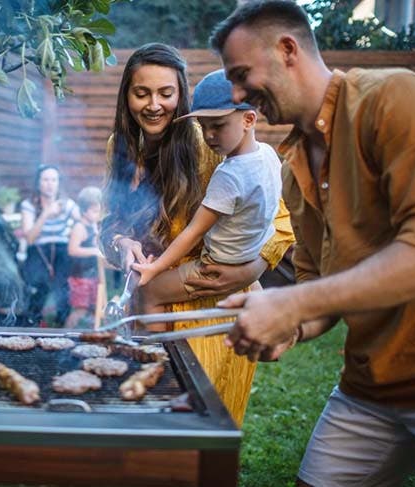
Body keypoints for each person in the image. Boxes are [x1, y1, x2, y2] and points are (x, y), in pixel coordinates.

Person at [209, 1, 415, 485]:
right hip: (371, 386)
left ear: (287, 49)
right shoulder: (292, 169)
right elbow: (320, 283)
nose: (238, 94)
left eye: (241, 75)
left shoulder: (394, 99)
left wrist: (293, 303)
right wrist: (292, 325)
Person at [99, 42, 295, 426]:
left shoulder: (208, 139)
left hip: (209, 307)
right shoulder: (117, 147)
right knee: (150, 420)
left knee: (202, 427)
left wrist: (251, 268)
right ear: (127, 97)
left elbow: (279, 220)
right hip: (146, 305)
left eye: (165, 93)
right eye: (142, 93)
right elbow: (109, 223)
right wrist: (121, 244)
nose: (154, 105)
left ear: (181, 95)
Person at [132, 69, 282, 317]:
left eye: (218, 125)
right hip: (251, 253)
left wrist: (155, 267)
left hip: (215, 266)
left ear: (249, 119)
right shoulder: (268, 154)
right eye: (203, 126)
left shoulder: (229, 175)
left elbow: (194, 231)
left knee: (148, 293)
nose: (209, 135)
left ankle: (156, 352)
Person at [20, 164, 80, 326]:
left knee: (62, 285)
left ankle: (62, 322)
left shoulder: (67, 204)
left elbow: (84, 221)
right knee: (39, 285)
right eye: (45, 179)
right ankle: (32, 321)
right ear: (38, 183)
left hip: (61, 248)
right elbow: (30, 238)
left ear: (58, 182)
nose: (50, 184)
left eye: (54, 180)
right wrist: (46, 214)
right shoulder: (29, 205)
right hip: (38, 249)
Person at [65, 186, 103, 328]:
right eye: (94, 211)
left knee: (94, 308)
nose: (98, 214)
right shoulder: (79, 227)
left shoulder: (93, 225)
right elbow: (72, 250)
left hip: (92, 275)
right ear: (84, 211)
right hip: (80, 277)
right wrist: (94, 251)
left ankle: (93, 335)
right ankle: (64, 335)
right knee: (80, 310)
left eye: (99, 211)